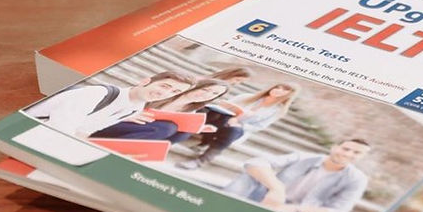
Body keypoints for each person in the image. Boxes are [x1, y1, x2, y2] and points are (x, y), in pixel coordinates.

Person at [223, 139, 371, 212]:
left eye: (356, 153)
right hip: (267, 199)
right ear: (334, 147)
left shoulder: (357, 179)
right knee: (249, 175)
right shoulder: (304, 157)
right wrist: (276, 188)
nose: (348, 154)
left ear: (363, 157)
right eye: (345, 148)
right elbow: (255, 162)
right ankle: (222, 209)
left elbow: (337, 211)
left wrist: (292, 208)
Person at [25, 71, 194, 138]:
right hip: (31, 129)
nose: (164, 94)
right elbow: (59, 128)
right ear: (145, 81)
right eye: (165, 86)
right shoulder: (98, 94)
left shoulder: (135, 108)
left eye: (173, 92)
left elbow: (85, 131)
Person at [177, 82, 299, 169]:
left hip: (237, 129)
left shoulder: (277, 110)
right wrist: (229, 112)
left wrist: (240, 124)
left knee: (233, 130)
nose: (279, 90)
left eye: (285, 90)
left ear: (289, 94)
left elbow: (260, 126)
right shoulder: (247, 97)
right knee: (215, 116)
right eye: (278, 87)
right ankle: (200, 142)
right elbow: (223, 106)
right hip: (219, 121)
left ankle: (200, 160)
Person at [88, 79, 229, 140]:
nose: (207, 95)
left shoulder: (191, 111)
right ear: (197, 87)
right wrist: (128, 115)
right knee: (167, 128)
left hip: (140, 131)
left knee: (181, 132)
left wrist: (199, 129)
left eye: (214, 94)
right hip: (118, 121)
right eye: (206, 89)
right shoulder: (166, 93)